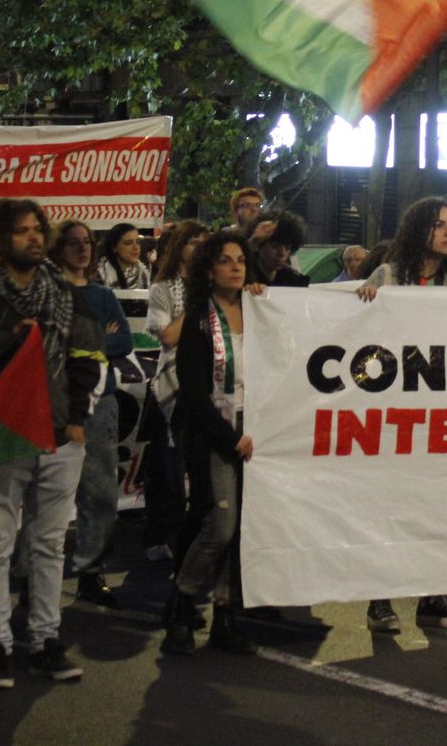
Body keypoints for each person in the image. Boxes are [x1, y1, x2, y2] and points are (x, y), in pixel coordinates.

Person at [0, 198, 103, 689]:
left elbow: (86, 357)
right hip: (1, 438)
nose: (34, 238)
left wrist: (77, 418)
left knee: (49, 546)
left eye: (38, 229)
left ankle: (44, 640)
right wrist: (5, 349)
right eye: (21, 231)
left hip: (60, 436)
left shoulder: (65, 293)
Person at [356, 198, 447, 632]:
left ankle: (433, 597)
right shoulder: (388, 277)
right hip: (395, 415)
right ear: (417, 231)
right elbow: (353, 338)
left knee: (437, 507)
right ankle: (380, 600)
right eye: (438, 225)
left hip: (441, 417)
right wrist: (363, 303)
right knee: (389, 507)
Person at [162, 229, 263, 656]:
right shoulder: (199, 319)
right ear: (208, 268)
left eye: (241, 259)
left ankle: (225, 615)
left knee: (243, 530)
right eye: (225, 260)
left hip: (257, 430)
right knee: (219, 526)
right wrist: (229, 438)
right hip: (217, 431)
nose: (236, 266)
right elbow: (193, 392)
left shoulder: (260, 310)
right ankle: (181, 603)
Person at [52, 220, 135, 607]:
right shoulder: (48, 293)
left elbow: (123, 339)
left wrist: (80, 341)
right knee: (44, 493)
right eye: (73, 243)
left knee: (100, 491)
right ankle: (32, 573)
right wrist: (96, 339)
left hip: (100, 400)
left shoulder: (102, 295)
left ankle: (89, 570)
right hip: (55, 401)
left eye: (87, 242)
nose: (82, 249)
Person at [141, 219, 211, 562]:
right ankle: (161, 534)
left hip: (210, 385)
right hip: (174, 385)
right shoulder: (164, 289)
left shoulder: (218, 286)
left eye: (204, 243)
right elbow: (167, 335)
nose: (199, 248)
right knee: (169, 466)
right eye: (193, 242)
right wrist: (198, 301)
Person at [248, 211, 310, 288]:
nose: (282, 254)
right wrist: (254, 240)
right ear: (258, 246)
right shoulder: (245, 277)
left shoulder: (293, 279)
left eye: (287, 248)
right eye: (275, 246)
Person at [98, 222, 150, 290]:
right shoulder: (100, 275)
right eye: (128, 243)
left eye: (138, 242)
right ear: (114, 247)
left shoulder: (143, 273)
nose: (136, 248)